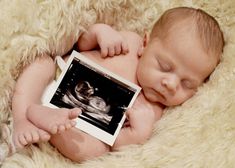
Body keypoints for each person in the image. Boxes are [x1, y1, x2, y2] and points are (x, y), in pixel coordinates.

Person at [11, 7, 224, 162]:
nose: (170, 84)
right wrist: (100, 33)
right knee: (41, 63)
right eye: (165, 66)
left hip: (75, 124)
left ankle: (48, 121)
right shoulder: (129, 43)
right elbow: (81, 43)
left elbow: (116, 144)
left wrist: (137, 135)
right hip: (56, 76)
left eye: (187, 84)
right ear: (146, 43)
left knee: (95, 151)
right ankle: (23, 117)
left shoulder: (151, 110)